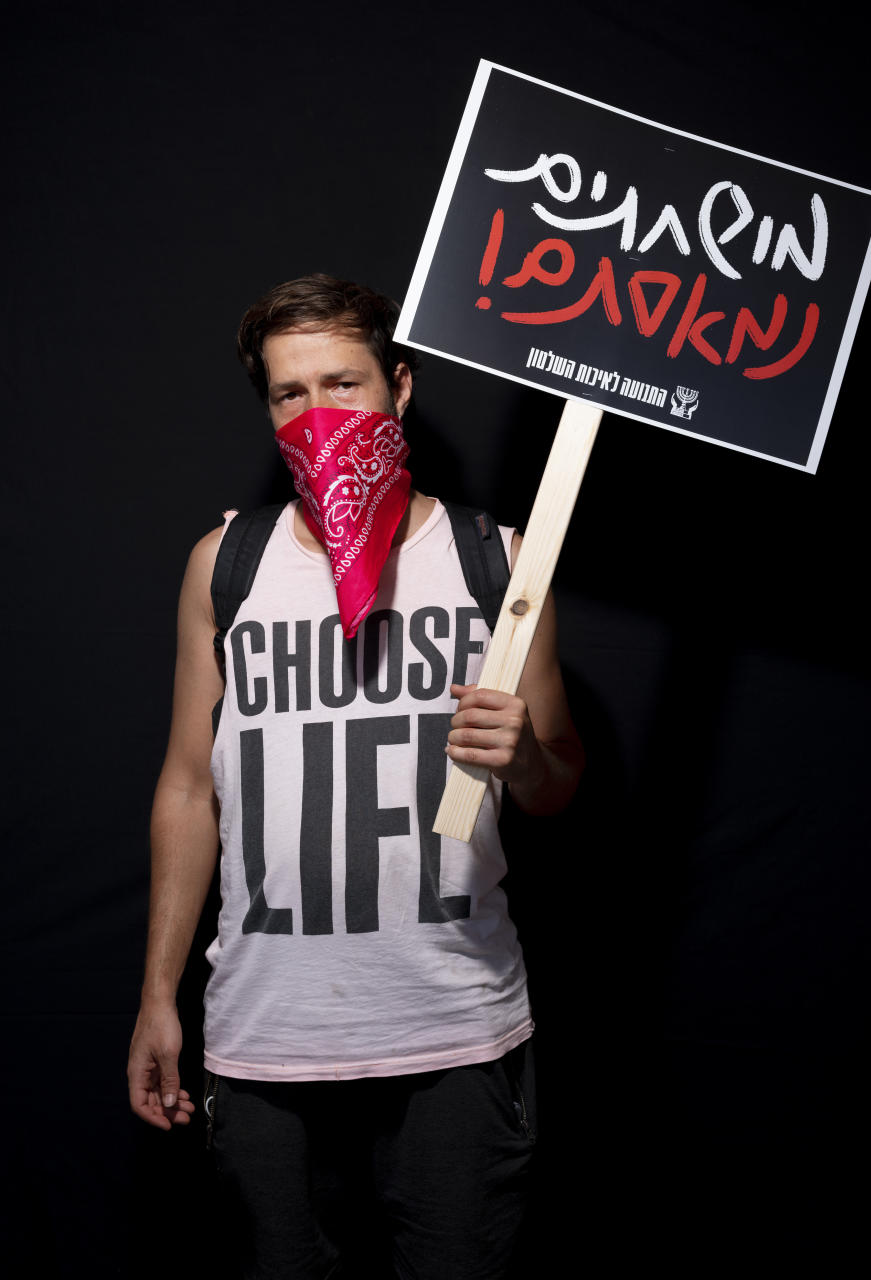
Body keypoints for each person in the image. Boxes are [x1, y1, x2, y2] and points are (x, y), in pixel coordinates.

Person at [127, 272, 584, 1279]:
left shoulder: (494, 564)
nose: (319, 413)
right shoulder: (227, 565)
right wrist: (160, 992)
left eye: (345, 382)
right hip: (266, 1036)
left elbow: (559, 787)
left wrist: (527, 754)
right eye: (291, 393)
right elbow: (188, 785)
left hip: (457, 1029)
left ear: (401, 388)